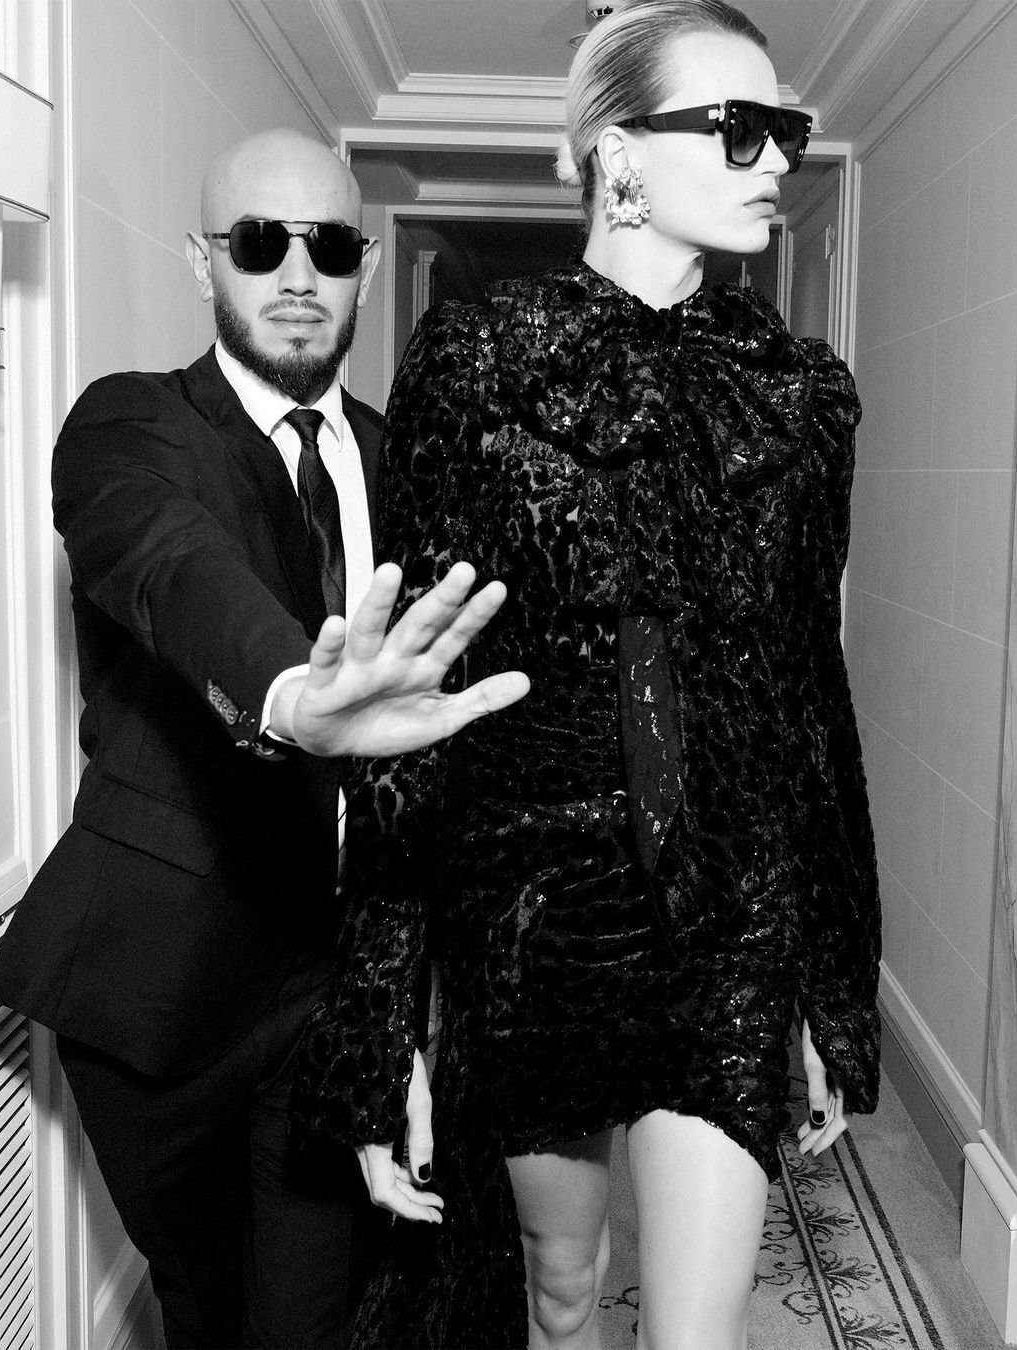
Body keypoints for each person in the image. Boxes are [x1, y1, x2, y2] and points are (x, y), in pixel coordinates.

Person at [288, 3, 882, 1347]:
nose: (776, 160)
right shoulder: (478, 364)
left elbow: (810, 698)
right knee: (560, 1289)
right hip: (536, 919)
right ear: (619, 154)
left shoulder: (801, 396)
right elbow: (417, 708)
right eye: (739, 128)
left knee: (697, 1330)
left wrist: (829, 983)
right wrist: (386, 1028)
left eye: (786, 131)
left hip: (732, 917)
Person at [0, 128, 527, 1350]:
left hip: (338, 981)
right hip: (167, 987)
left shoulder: (406, 460)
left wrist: (411, 1010)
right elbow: (169, 564)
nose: (295, 274)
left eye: (328, 246)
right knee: (210, 1312)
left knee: (315, 1316)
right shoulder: (132, 426)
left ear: (364, 268)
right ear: (202, 259)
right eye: (259, 241)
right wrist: (289, 691)